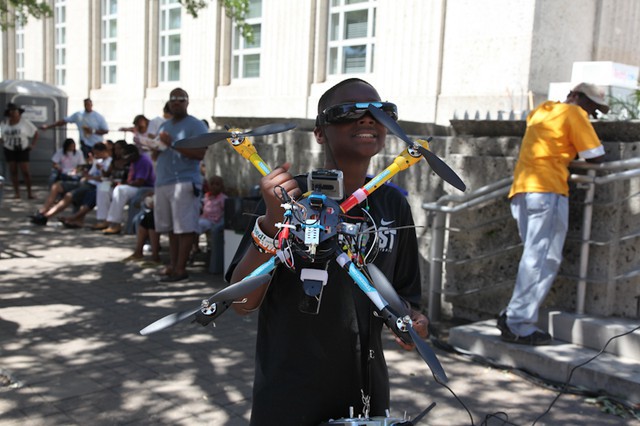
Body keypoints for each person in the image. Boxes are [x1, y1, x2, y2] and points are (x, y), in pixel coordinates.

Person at [225, 78, 428, 425]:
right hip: (289, 394)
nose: (367, 119)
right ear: (320, 132)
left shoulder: (394, 204)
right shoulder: (287, 196)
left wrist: (415, 324)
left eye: (379, 112)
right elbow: (241, 303)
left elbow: (407, 299)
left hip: (366, 392)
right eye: (349, 112)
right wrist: (273, 221)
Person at [497, 82, 608, 346]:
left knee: (533, 258)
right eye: (591, 107)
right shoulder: (574, 113)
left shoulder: (541, 111)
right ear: (577, 97)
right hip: (547, 191)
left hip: (523, 190)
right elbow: (595, 156)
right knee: (542, 260)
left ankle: (511, 315)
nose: (591, 115)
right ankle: (518, 323)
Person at [151, 88, 208, 282]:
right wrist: (152, 147)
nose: (176, 103)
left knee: (184, 227)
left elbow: (200, 153)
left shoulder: (196, 125)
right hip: (163, 182)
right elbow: (156, 153)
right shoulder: (164, 125)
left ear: (187, 102)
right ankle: (173, 265)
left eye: (180, 99)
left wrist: (173, 143)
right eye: (173, 99)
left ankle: (181, 269)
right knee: (170, 228)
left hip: (184, 182)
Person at [31, 142, 112, 226]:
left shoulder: (110, 162)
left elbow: (105, 178)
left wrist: (95, 175)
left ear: (103, 151)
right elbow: (89, 175)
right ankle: (44, 211)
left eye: (97, 153)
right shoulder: (97, 161)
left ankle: (47, 216)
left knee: (70, 195)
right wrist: (85, 174)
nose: (95, 155)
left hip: (96, 186)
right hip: (86, 182)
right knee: (58, 186)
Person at [99, 144, 155, 234]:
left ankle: (115, 223)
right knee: (103, 187)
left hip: (144, 188)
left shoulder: (143, 161)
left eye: (126, 156)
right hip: (132, 186)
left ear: (133, 154)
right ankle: (104, 219)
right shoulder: (133, 161)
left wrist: (123, 183)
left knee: (120, 190)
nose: (125, 159)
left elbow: (139, 182)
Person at [40, 98, 109, 158]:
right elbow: (64, 121)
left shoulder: (98, 117)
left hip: (96, 144)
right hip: (85, 143)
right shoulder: (79, 115)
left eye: (89, 104)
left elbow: (106, 130)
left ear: (91, 105)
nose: (87, 106)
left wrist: (93, 131)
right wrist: (48, 126)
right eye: (86, 104)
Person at [0, 102, 39, 199]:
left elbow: (35, 132)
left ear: (19, 112)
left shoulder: (24, 122)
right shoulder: (4, 123)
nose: (13, 113)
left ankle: (29, 193)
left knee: (25, 171)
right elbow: (1, 136)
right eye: (11, 111)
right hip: (9, 148)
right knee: (13, 171)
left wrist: (33, 144)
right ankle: (17, 193)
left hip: (22, 148)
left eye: (15, 111)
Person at [191, 175, 227, 272]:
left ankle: (195, 247)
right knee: (193, 224)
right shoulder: (206, 197)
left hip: (214, 221)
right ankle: (195, 246)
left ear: (222, 186)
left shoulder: (222, 198)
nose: (214, 186)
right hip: (204, 218)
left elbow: (226, 211)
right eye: (212, 184)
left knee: (198, 225)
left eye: (217, 184)